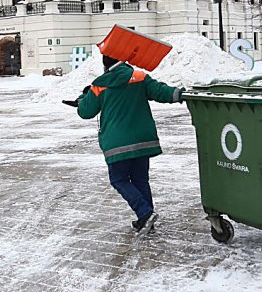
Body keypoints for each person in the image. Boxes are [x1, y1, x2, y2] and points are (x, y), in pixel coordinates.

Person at [76, 55, 185, 235]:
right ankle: (146, 220)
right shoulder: (139, 77)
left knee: (118, 179)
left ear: (105, 65)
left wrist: (83, 97)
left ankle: (145, 212)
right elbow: (161, 92)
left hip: (117, 144)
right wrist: (180, 94)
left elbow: (86, 112)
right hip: (143, 140)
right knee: (140, 179)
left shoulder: (99, 85)